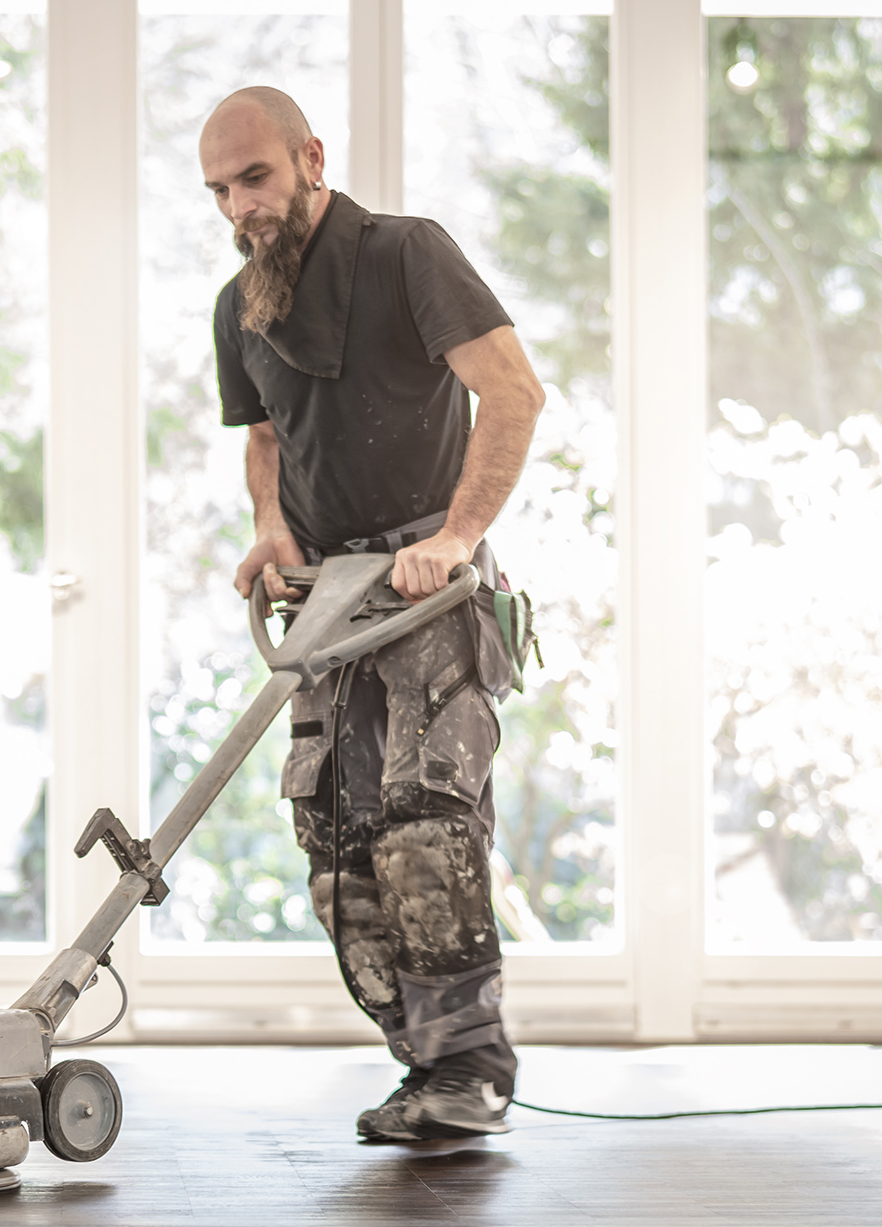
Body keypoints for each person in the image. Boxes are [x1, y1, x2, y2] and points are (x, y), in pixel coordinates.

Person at [198, 86, 544, 1142]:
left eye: (254, 177)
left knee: (424, 826)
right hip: (330, 605)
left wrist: (457, 534)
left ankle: (471, 1068)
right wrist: (271, 528)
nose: (239, 207)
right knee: (338, 850)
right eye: (218, 191)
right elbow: (265, 435)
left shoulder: (405, 254)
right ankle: (425, 1061)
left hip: (427, 589)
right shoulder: (239, 306)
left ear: (310, 157)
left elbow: (513, 390)